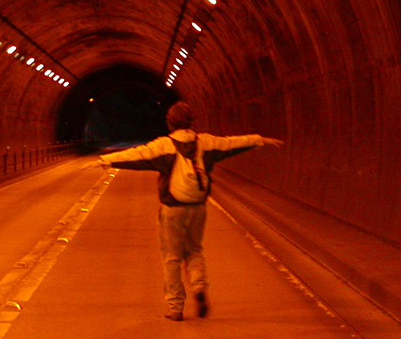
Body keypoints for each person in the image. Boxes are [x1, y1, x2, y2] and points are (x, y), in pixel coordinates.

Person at [98, 101, 283, 321]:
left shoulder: (163, 145)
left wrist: (106, 161)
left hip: (172, 209)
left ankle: (175, 307)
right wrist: (258, 140)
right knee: (194, 250)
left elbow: (137, 155)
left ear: (170, 122)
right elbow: (232, 143)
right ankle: (198, 287)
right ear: (190, 121)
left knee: (172, 258)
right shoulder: (204, 142)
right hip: (197, 208)